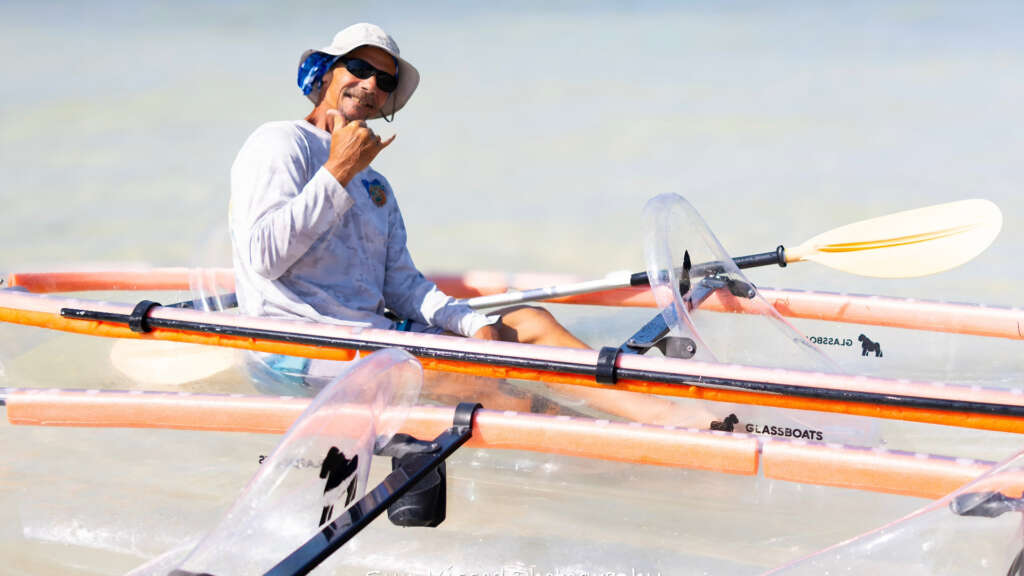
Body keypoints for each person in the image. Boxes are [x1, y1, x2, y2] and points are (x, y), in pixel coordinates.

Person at [229, 23, 586, 353]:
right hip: (303, 343)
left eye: (384, 81)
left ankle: (641, 411)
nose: (371, 85)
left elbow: (400, 285)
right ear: (325, 72)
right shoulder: (281, 141)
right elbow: (263, 258)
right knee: (488, 388)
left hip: (377, 338)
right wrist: (337, 170)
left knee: (532, 320)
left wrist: (469, 322)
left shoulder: (376, 185)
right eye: (359, 67)